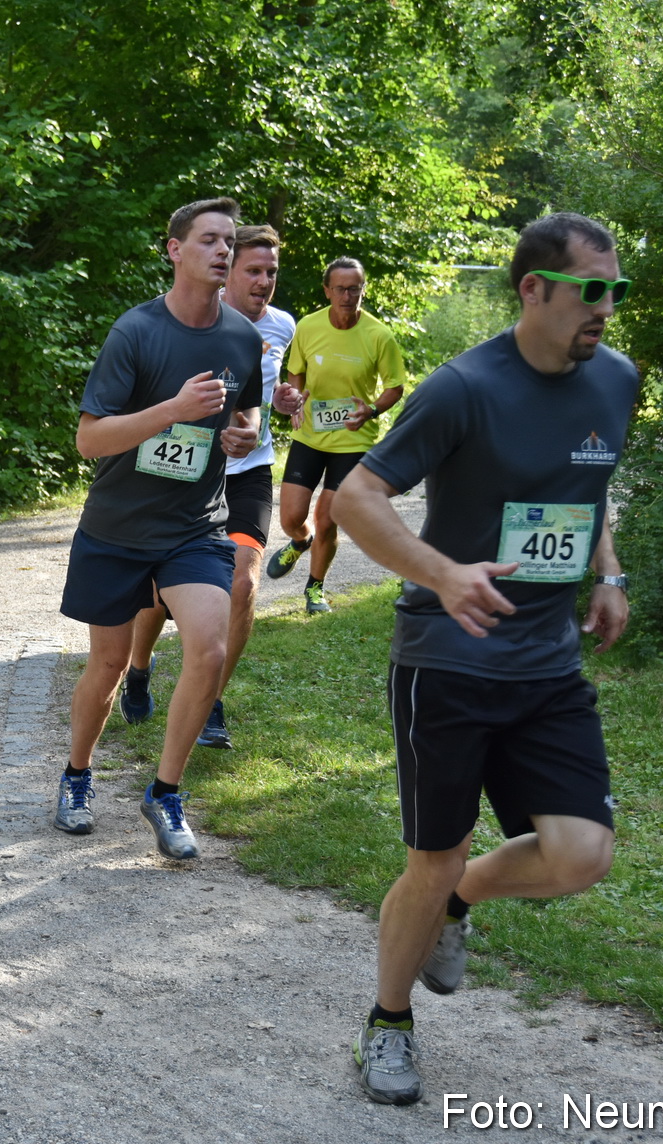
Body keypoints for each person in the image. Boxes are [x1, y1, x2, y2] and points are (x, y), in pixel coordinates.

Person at [331, 212, 638, 1105]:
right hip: (448, 658)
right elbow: (358, 495)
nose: (607, 310)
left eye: (616, 291)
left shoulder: (614, 380)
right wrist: (443, 574)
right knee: (433, 852)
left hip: (546, 662)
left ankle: (458, 902)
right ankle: (388, 1022)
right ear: (533, 289)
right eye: (592, 290)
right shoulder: (462, 387)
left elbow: (594, 481)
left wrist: (610, 572)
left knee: (582, 854)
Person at [54, 197, 265, 859]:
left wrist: (241, 433)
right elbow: (89, 439)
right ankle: (77, 774)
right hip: (118, 526)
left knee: (208, 646)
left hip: (193, 525)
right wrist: (171, 410)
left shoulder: (240, 337)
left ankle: (166, 791)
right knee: (109, 666)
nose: (223, 251)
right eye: (208, 239)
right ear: (174, 249)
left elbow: (250, 413)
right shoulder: (136, 332)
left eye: (229, 240)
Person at [120, 224, 296, 750]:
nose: (264, 282)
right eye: (254, 271)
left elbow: (271, 391)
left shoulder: (284, 325)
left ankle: (211, 697)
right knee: (158, 588)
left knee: (242, 584)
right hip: (187, 471)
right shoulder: (193, 321)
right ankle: (139, 665)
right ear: (227, 270)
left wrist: (285, 402)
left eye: (272, 272)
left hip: (249, 474)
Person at [266, 258, 406, 614]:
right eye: (340, 288)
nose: (348, 295)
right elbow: (295, 371)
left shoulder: (379, 335)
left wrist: (371, 410)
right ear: (327, 290)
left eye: (355, 288)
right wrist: (296, 399)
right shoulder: (308, 327)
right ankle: (300, 540)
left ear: (363, 289)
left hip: (353, 440)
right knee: (291, 518)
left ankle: (315, 590)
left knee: (329, 518)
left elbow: (395, 387)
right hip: (311, 436)